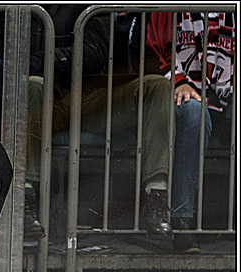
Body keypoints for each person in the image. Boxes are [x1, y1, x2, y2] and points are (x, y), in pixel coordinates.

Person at [26, 7, 173, 240]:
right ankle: (25, 201)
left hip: (90, 96)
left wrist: (41, 59)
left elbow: (95, 53)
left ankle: (156, 196)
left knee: (157, 87)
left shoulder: (87, 6)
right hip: (44, 98)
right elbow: (5, 55)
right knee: (31, 84)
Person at [169, 12, 234, 252]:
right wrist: (177, 81)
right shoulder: (166, 10)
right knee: (194, 112)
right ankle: (182, 221)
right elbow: (150, 52)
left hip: (227, 90)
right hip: (174, 87)